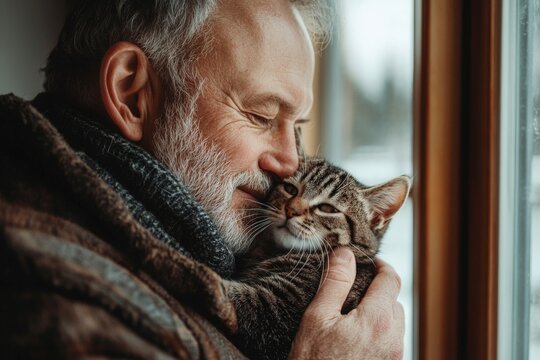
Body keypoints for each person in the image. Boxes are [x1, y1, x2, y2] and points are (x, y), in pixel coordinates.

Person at [0, 0, 404, 358]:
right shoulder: (54, 293)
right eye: (262, 116)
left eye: (296, 127)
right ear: (131, 94)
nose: (289, 163)